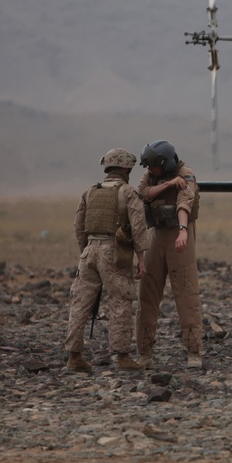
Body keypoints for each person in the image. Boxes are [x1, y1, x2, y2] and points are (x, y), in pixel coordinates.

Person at [64, 148, 150, 373]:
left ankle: (74, 356)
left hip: (89, 251)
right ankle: (122, 357)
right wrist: (141, 259)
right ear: (125, 169)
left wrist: (86, 251)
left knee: (80, 303)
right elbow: (139, 227)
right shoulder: (128, 192)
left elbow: (78, 225)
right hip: (113, 252)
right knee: (121, 301)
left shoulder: (90, 192)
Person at [135, 140, 204, 370]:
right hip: (157, 234)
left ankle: (194, 350)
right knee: (147, 292)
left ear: (165, 164)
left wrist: (183, 230)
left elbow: (185, 202)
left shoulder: (186, 174)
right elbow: (143, 193)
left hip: (179, 235)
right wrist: (167, 185)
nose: (149, 169)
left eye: (153, 165)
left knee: (186, 293)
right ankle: (144, 352)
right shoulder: (151, 176)